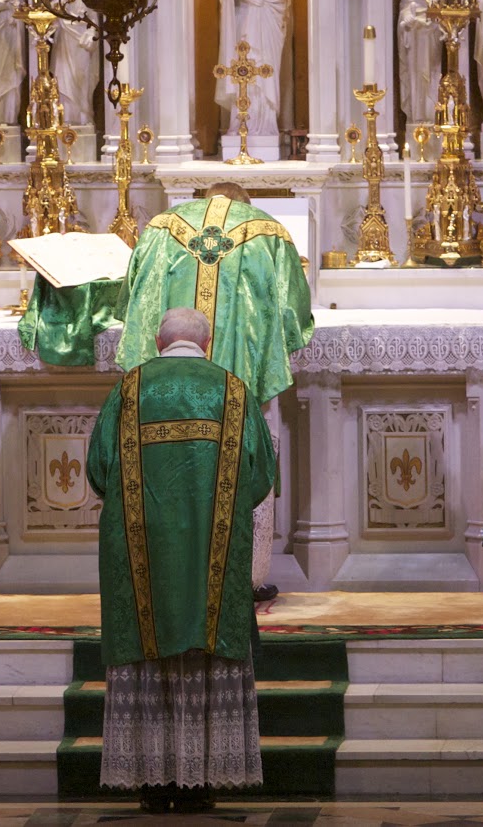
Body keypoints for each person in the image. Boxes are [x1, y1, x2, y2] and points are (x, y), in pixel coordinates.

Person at [87, 309, 277, 813]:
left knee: (147, 640)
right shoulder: (233, 392)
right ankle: (201, 782)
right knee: (206, 641)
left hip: (142, 553)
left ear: (157, 341)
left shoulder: (128, 391)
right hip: (213, 555)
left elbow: (99, 470)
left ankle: (152, 784)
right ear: (207, 343)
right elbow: (261, 477)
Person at [117, 181, 313, 600]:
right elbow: (294, 317)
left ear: (203, 199)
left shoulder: (162, 227)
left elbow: (132, 303)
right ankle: (246, 580)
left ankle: (166, 578)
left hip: (166, 390)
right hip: (243, 382)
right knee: (245, 463)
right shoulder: (269, 230)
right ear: (244, 204)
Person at [215, 0, 288, 138]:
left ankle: (266, 124)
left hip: (267, 21)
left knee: (264, 69)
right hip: (244, 20)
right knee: (244, 68)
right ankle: (241, 123)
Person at [51, 0, 99, 129]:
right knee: (63, 77)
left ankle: (84, 115)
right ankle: (66, 117)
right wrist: (59, 2)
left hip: (81, 41)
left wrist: (92, 31)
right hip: (65, 40)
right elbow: (51, 16)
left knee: (82, 76)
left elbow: (94, 18)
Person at [396, 0, 443, 126]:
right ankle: (417, 115)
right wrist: (407, 15)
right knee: (415, 74)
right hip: (415, 37)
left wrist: (440, 0)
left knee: (431, 72)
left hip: (431, 35)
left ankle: (431, 114)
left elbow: (444, 13)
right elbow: (404, 8)